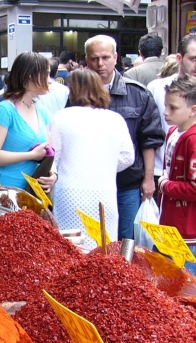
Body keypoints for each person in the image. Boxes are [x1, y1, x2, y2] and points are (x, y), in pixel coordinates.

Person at [85, 34, 165, 240]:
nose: (100, 64)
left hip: (127, 184)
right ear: (87, 60)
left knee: (127, 242)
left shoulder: (138, 93)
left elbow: (149, 140)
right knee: (96, 242)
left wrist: (149, 179)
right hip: (90, 184)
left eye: (105, 57)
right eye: (94, 58)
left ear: (115, 57)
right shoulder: (78, 95)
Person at [50, 69, 134, 247]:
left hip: (70, 193)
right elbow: (128, 157)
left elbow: (52, 158)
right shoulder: (116, 119)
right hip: (104, 194)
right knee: (102, 246)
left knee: (71, 246)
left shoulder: (62, 117)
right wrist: (106, 165)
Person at [147, 34, 196, 196]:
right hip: (158, 172)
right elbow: (147, 134)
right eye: (193, 58)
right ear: (179, 58)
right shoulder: (156, 88)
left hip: (191, 178)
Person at [158, 75, 196, 278]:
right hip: (172, 224)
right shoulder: (175, 132)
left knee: (185, 285)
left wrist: (166, 186)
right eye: (166, 105)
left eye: (173, 108)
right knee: (167, 279)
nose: (166, 112)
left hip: (190, 229)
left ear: (194, 110)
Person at [0, 52, 53, 190]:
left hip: (33, 192)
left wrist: (53, 175)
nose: (50, 80)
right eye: (46, 75)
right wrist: (31, 155)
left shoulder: (41, 110)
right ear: (30, 76)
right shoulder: (5, 110)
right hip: (5, 189)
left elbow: (48, 150)